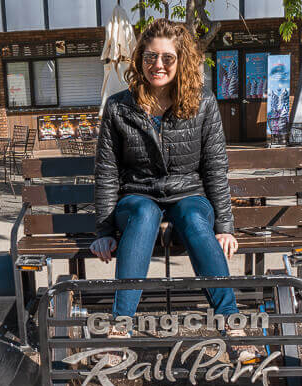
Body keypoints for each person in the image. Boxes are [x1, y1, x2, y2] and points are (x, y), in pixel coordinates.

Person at [91, 18, 257, 364]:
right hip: (138, 193)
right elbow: (107, 171)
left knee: (194, 218)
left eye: (168, 57)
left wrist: (224, 226)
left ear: (181, 60)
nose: (159, 65)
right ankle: (121, 325)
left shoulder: (203, 103)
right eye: (151, 57)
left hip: (188, 192)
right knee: (143, 212)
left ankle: (231, 322)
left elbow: (214, 166)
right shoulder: (119, 107)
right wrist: (105, 231)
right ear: (139, 60)